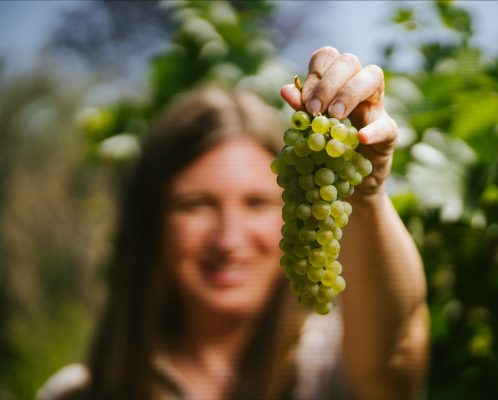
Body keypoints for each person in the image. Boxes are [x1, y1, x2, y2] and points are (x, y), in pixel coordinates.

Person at [37, 46, 429, 400]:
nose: (228, 239)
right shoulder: (75, 394)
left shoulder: (325, 371)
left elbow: (394, 364)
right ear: (151, 218)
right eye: (195, 206)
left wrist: (364, 194)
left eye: (256, 203)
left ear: (295, 207)